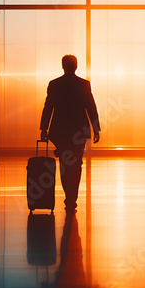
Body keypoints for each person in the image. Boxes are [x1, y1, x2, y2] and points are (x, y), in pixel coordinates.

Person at [40, 54, 100, 214]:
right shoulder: (83, 84)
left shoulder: (54, 84)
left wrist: (43, 129)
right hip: (79, 130)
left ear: (63, 66)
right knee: (77, 163)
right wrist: (96, 129)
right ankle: (72, 197)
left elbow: (48, 107)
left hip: (60, 130)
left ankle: (69, 195)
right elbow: (91, 106)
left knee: (65, 164)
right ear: (76, 66)